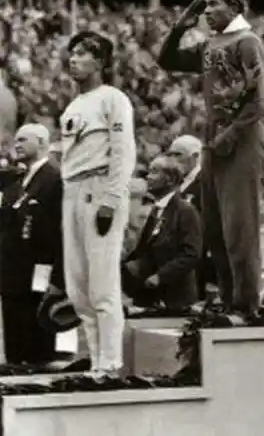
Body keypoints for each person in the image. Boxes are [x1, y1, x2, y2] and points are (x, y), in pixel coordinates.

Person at [157, 0, 264, 314]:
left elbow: (261, 99)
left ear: (234, 7)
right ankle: (227, 297)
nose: (207, 10)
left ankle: (246, 304)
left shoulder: (247, 42)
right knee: (216, 229)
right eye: (205, 5)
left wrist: (231, 134)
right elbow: (167, 60)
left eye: (214, 4)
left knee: (239, 227)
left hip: (242, 138)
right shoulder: (211, 44)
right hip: (213, 137)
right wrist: (181, 26)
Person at [60, 31, 136, 377]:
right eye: (72, 53)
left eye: (82, 54)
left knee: (102, 283)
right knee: (78, 287)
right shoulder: (73, 105)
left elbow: (123, 150)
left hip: (99, 186)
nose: (73, 59)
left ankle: (110, 362)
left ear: (101, 62)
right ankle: (94, 361)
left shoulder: (113, 98)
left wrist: (112, 197)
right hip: (72, 189)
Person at [0, 123, 63, 366]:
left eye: (23, 139)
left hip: (39, 268)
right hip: (13, 271)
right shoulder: (18, 180)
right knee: (15, 338)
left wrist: (57, 275)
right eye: (15, 139)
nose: (17, 144)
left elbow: (57, 230)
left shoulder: (53, 178)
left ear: (42, 142)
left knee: (36, 339)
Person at [122, 155, 202, 311]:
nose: (148, 177)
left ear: (170, 179)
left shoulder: (186, 211)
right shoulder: (156, 210)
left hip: (177, 302)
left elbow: (191, 254)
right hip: (153, 299)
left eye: (154, 172)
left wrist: (160, 277)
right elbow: (143, 251)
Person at [166, 134, 217, 299]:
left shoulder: (205, 180)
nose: (173, 159)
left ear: (195, 156)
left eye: (178, 154)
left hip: (199, 244)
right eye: (170, 154)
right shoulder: (179, 182)